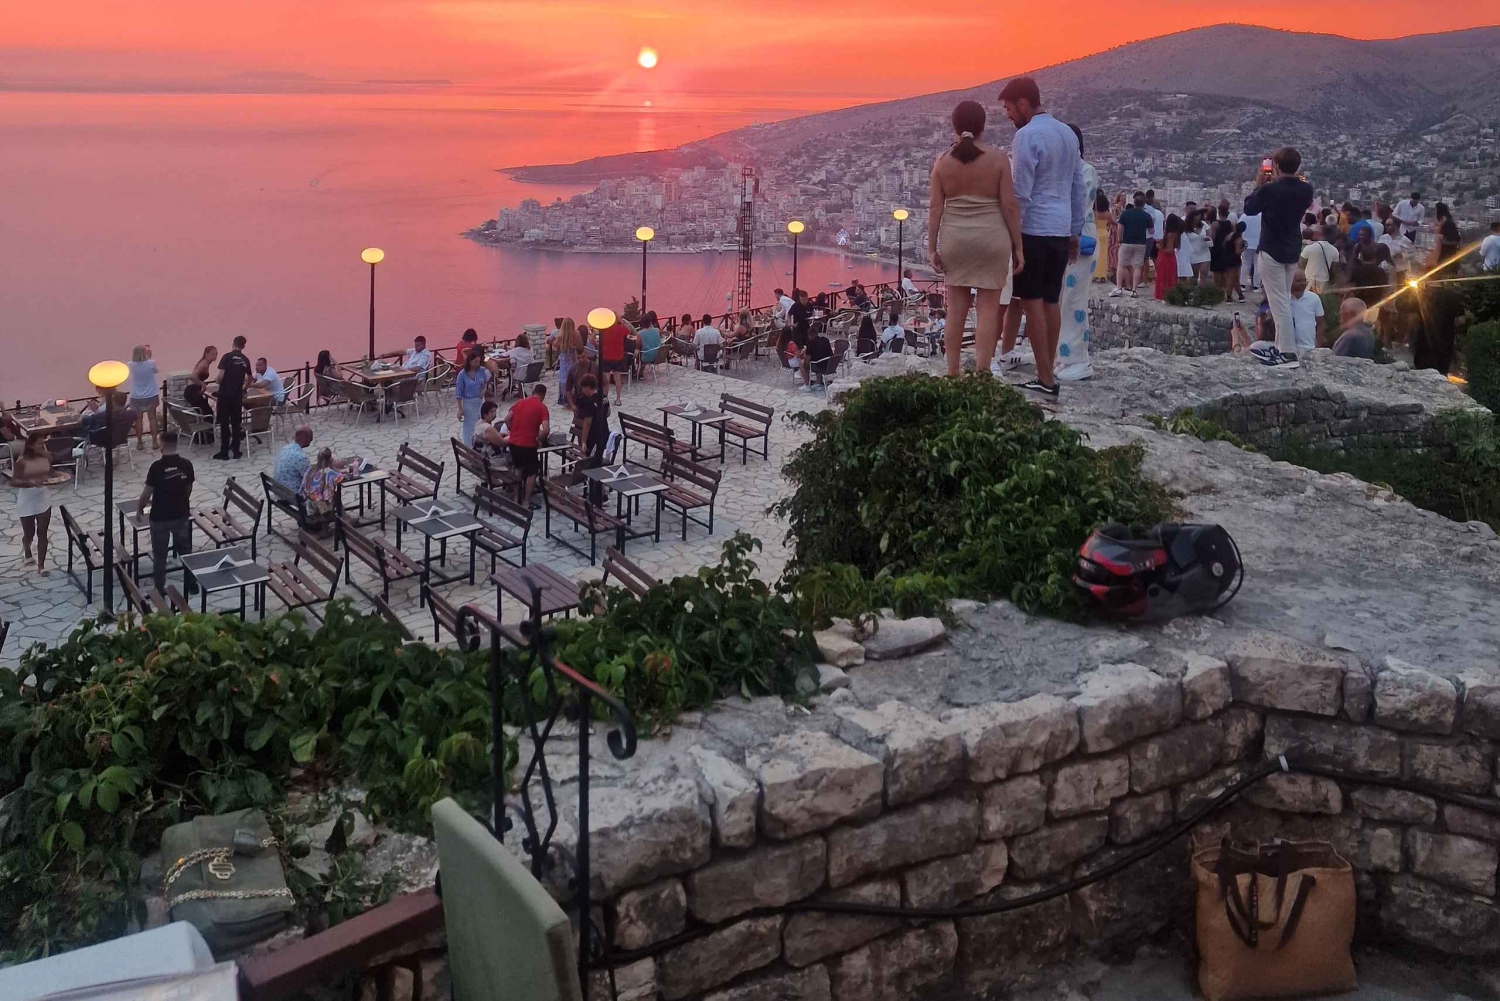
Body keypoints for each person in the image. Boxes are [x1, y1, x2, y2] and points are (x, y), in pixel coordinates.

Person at [997, 77, 1082, 397]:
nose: (1007, 115)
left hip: (1033, 230)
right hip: (1061, 231)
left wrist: (1013, 238)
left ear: (1022, 102)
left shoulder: (1027, 135)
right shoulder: (1067, 134)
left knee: (1031, 302)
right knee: (1050, 301)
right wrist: (1074, 232)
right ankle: (1048, 371)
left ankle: (1046, 378)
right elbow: (1077, 187)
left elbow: (1021, 193)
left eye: (1008, 108)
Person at [928, 99, 1023, 379]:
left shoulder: (942, 163)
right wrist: (1018, 246)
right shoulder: (998, 160)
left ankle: (953, 372)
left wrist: (932, 247)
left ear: (954, 127)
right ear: (983, 126)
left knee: (956, 309)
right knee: (988, 310)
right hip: (992, 240)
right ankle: (982, 374)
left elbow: (935, 209)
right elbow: (1009, 206)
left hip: (955, 240)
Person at [1243, 147, 1314, 369]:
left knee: (1279, 301)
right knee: (1283, 298)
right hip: (1292, 248)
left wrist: (1259, 184)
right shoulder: (1306, 189)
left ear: (1275, 165)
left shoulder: (1269, 190)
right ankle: (1281, 345)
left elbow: (1249, 208)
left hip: (1271, 249)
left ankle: (1287, 352)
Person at [1054, 122, 1099, 382]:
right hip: (1067, 239)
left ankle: (1080, 359)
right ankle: (1065, 355)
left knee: (1075, 299)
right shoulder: (1071, 171)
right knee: (1064, 298)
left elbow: (1079, 207)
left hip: (1080, 239)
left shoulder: (1085, 171)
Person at [137, 429, 194, 593]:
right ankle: (191, 584)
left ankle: (159, 588)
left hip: (159, 517)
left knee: (160, 556)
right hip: (180, 514)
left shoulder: (156, 467)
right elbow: (188, 489)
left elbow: (147, 493)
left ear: (161, 444)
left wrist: (140, 508)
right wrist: (183, 502)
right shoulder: (186, 465)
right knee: (185, 551)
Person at [14, 436, 54, 576]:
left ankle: (41, 566)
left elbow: (50, 473)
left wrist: (54, 477)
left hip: (43, 498)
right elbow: (14, 482)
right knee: (29, 533)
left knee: (42, 533)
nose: (43, 446)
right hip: (26, 500)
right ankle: (27, 551)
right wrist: (30, 483)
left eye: (43, 443)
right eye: (40, 444)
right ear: (31, 445)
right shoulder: (22, 461)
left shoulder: (47, 457)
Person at [505, 384, 550, 506]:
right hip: (528, 445)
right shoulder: (542, 408)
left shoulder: (520, 403)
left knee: (518, 469)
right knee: (531, 473)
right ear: (543, 395)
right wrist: (539, 440)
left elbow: (507, 419)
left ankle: (516, 497)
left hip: (514, 443)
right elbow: (545, 430)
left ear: (533, 392)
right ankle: (526, 501)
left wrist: (512, 430)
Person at [213, 335, 252, 460]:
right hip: (237, 397)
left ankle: (224, 453)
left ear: (233, 343)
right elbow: (250, 378)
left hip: (224, 396)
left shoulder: (226, 357)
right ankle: (236, 451)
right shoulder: (245, 360)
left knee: (224, 424)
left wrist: (218, 382)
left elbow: (219, 377)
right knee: (236, 424)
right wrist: (244, 388)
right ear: (243, 346)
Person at [1111, 191, 1151, 296]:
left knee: (1121, 264)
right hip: (1141, 244)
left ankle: (1119, 287)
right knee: (1137, 267)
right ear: (1143, 204)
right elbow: (1152, 231)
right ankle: (1134, 290)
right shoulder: (1146, 215)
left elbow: (1120, 228)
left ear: (1134, 202)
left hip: (1126, 242)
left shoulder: (1126, 213)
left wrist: (1119, 240)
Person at [127, 344, 161, 451]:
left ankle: (140, 442)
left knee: (138, 420)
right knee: (153, 419)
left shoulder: (130, 365)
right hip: (151, 394)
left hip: (136, 396)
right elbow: (156, 371)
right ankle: (154, 442)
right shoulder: (151, 363)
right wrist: (149, 358)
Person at [454, 349, 491, 446]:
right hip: (469, 403)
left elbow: (486, 381)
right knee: (470, 427)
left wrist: (484, 390)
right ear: (470, 361)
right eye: (475, 362)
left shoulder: (482, 371)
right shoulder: (462, 375)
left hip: (480, 401)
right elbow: (458, 393)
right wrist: (460, 409)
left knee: (483, 423)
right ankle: (470, 447)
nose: (477, 364)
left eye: (478, 361)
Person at [302, 448, 345, 529]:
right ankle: (342, 521)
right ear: (330, 458)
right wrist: (332, 466)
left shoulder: (311, 468)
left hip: (309, 503)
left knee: (333, 496)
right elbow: (340, 477)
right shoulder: (328, 472)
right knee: (334, 496)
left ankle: (346, 519)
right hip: (321, 507)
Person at [573, 373, 610, 462]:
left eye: (583, 388)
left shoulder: (589, 402)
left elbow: (587, 423)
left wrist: (583, 441)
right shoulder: (605, 398)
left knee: (590, 460)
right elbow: (608, 413)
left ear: (587, 387)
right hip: (604, 431)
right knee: (599, 455)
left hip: (593, 436)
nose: (583, 391)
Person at [1288, 271, 1325, 355]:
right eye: (1298, 281)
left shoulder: (1314, 298)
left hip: (1310, 348)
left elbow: (1321, 323)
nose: (1303, 283)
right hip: (1288, 349)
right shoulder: (1284, 299)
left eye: (1304, 280)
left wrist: (1318, 346)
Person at [599, 317, 631, 406]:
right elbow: (628, 331)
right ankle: (618, 399)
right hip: (618, 356)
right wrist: (622, 323)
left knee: (606, 380)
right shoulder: (621, 329)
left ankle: (605, 398)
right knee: (618, 379)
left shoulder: (604, 329)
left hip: (606, 356)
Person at [185, 345, 217, 429]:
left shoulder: (205, 363)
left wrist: (201, 385)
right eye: (213, 354)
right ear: (206, 354)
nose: (215, 356)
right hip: (192, 392)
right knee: (208, 414)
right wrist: (202, 384)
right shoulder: (204, 364)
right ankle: (205, 437)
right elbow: (193, 376)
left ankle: (204, 437)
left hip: (194, 391)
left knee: (205, 413)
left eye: (216, 354)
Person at [273, 426, 314, 493]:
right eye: (310, 437)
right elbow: (310, 478)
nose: (312, 440)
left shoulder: (285, 448)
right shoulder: (301, 457)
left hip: (278, 491)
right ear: (304, 438)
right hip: (292, 495)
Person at [1300, 226, 1340, 293]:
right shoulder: (1334, 250)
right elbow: (1335, 270)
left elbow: (1300, 264)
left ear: (1320, 234)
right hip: (1324, 283)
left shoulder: (1310, 248)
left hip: (1308, 281)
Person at [1155, 214, 1183, 300]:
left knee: (1164, 277)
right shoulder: (1176, 233)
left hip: (1165, 259)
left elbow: (1169, 250)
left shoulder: (1170, 234)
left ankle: (1163, 295)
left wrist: (1159, 247)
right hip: (1170, 259)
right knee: (1169, 277)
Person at [554, 318, 581, 405]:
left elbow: (555, 348)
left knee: (564, 380)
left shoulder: (560, 336)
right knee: (574, 379)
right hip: (574, 361)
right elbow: (580, 347)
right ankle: (575, 398)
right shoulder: (576, 334)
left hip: (564, 362)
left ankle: (565, 400)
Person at [1433, 203, 1462, 273]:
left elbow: (1456, 240)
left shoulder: (1448, 223)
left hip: (1447, 254)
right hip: (1447, 253)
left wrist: (1441, 240)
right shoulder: (1446, 222)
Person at [1143, 190, 1165, 278]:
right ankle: (1159, 277)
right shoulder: (1160, 213)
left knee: (1145, 260)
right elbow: (1163, 227)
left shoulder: (1146, 212)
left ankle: (1144, 279)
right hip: (1159, 239)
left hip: (1149, 238)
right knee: (1157, 260)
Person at [1239, 208, 1262, 292]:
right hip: (1258, 243)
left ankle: (1243, 284)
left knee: (1245, 263)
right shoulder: (1262, 216)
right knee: (1257, 265)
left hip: (1246, 242)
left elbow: (1239, 227)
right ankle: (1256, 286)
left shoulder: (1244, 216)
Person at [1188, 210, 1213, 283]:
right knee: (1194, 275)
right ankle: (1192, 291)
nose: (1198, 218)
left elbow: (1209, 234)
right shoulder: (1186, 227)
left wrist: (1208, 238)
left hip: (1204, 252)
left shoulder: (1203, 224)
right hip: (1192, 254)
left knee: (1204, 272)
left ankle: (1203, 291)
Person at [1093, 192, 1112, 282]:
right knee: (1104, 255)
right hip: (1104, 234)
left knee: (1095, 255)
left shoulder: (1093, 213)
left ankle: (1095, 274)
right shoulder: (1107, 213)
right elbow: (1112, 223)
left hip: (1095, 234)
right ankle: (1103, 275)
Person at [1175, 210, 1196, 284]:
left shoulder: (1176, 235)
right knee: (1183, 279)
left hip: (1177, 260)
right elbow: (1189, 250)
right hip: (1184, 260)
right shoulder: (1183, 235)